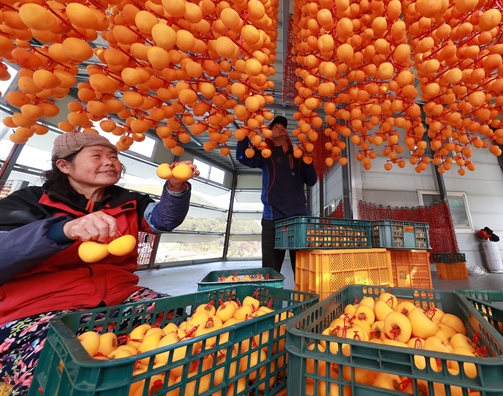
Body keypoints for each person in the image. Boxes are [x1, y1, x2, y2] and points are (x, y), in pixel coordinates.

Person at [0, 131, 198, 396]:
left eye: (114, 157)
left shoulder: (127, 201)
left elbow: (162, 220)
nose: (110, 162)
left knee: (183, 330)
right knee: (60, 372)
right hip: (38, 306)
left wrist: (175, 186)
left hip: (120, 294)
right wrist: (62, 230)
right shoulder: (28, 203)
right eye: (97, 155)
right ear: (64, 165)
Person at [236, 115, 317, 275]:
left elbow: (312, 180)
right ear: (268, 134)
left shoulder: (298, 155)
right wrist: (244, 133)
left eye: (283, 126)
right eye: (275, 126)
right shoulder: (265, 154)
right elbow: (242, 157)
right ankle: (269, 299)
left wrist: (309, 160)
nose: (281, 127)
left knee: (304, 272)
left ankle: (304, 299)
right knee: (270, 272)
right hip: (273, 219)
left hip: (299, 220)